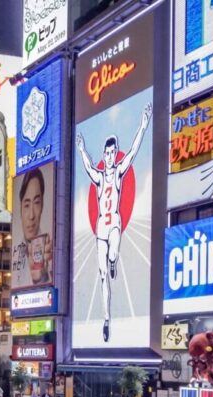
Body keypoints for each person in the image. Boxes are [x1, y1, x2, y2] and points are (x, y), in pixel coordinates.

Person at [76, 104, 152, 342]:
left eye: (112, 153)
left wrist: (143, 125)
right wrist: (81, 149)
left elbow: (133, 151)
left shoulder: (118, 172)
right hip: (101, 228)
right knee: (102, 277)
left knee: (112, 254)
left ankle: (113, 261)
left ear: (115, 152)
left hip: (114, 224)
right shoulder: (99, 176)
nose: (109, 157)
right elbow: (88, 166)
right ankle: (107, 319)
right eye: (106, 154)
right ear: (104, 154)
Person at [16, 167, 53, 285]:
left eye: (36, 203)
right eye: (27, 205)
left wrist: (42, 277)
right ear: (20, 208)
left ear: (42, 206)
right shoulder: (16, 252)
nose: (31, 215)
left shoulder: (50, 252)